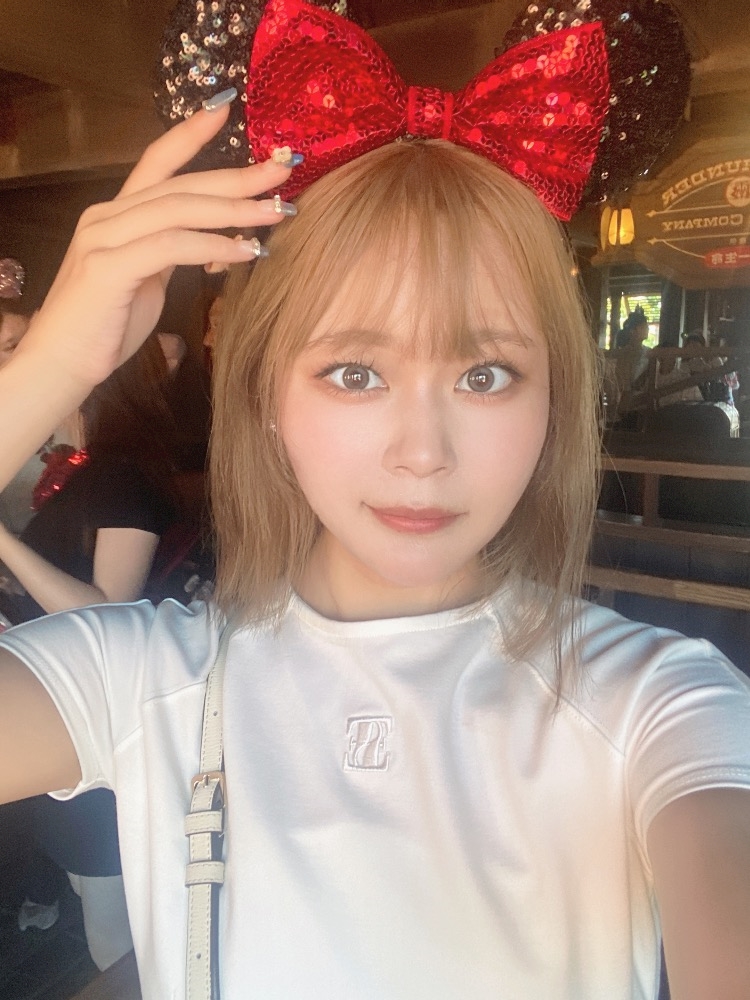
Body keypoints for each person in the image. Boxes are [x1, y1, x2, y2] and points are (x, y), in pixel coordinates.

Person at [0, 5, 748, 999]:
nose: (422, 454)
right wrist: (51, 365)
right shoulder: (140, 680)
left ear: (555, 403)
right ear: (266, 400)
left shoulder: (659, 703)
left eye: (485, 375)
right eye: (355, 373)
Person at [0, 334, 178, 967]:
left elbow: (106, 611)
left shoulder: (123, 476)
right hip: (65, 703)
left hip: (100, 713)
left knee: (111, 920)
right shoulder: (85, 467)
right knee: (89, 887)